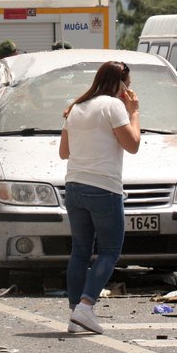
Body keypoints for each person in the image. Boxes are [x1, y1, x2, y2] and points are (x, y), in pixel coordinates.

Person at [58, 60, 140, 334]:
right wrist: (134, 112)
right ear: (119, 84)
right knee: (109, 251)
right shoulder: (114, 105)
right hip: (103, 187)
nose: (128, 91)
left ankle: (76, 314)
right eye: (127, 85)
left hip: (74, 186)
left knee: (80, 251)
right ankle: (85, 306)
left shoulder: (77, 107)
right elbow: (133, 145)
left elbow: (64, 152)